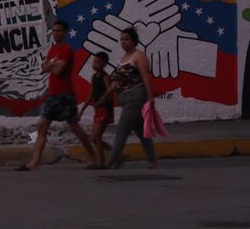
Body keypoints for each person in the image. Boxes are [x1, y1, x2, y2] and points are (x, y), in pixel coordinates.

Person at [18, 20, 98, 171]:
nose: (55, 33)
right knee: (42, 126)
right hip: (53, 95)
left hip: (65, 95)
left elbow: (58, 71)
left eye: (59, 31)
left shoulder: (66, 50)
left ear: (65, 33)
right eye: (54, 30)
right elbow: (44, 67)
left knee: (74, 127)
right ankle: (34, 163)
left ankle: (94, 157)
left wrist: (50, 65)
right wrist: (52, 64)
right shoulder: (53, 49)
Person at [105, 28, 158, 170]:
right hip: (126, 98)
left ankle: (110, 162)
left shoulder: (139, 56)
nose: (123, 42)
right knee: (141, 131)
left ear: (134, 40)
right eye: (121, 39)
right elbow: (116, 82)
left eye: (126, 39)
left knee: (121, 131)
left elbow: (146, 78)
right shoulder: (122, 59)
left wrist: (150, 98)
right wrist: (105, 95)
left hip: (135, 97)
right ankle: (152, 160)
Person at [83, 51, 114, 169]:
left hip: (105, 109)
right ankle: (115, 152)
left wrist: (102, 101)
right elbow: (91, 94)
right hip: (97, 110)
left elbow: (110, 93)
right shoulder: (94, 77)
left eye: (97, 62)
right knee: (94, 138)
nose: (94, 64)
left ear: (104, 64)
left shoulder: (105, 77)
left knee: (96, 137)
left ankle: (101, 162)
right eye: (94, 61)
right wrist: (82, 109)